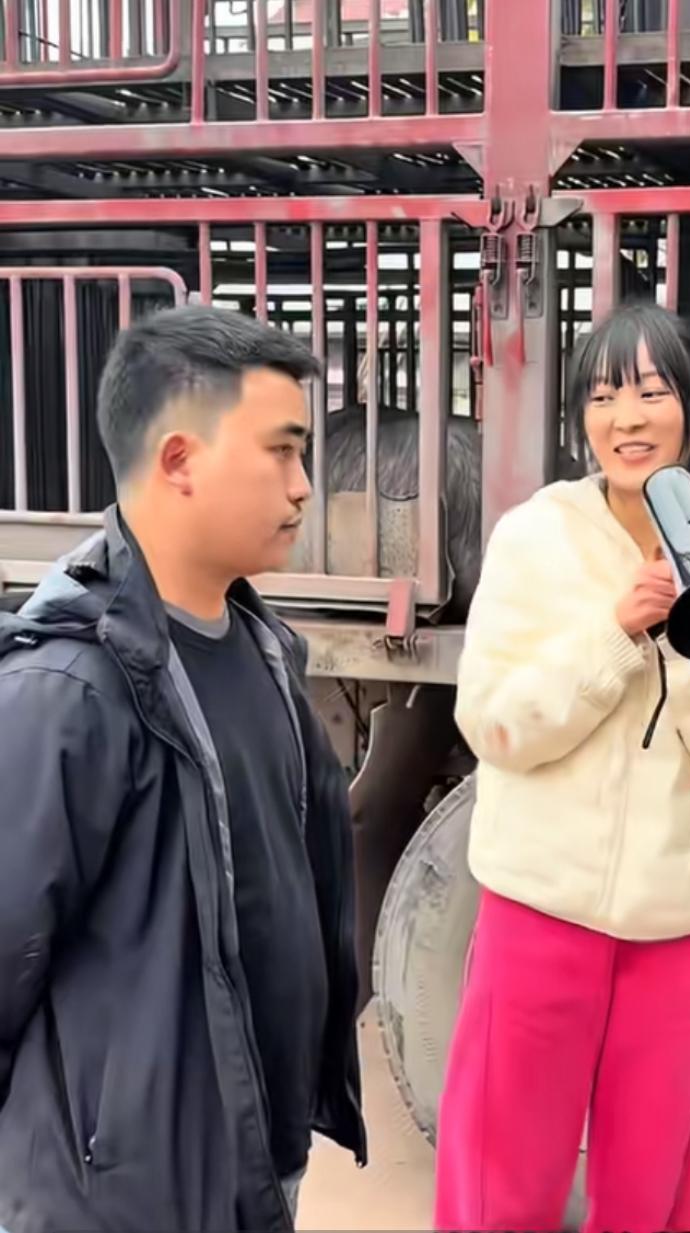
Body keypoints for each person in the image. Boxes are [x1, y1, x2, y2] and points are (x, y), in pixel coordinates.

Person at [434, 302, 690, 1233]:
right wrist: (615, 633)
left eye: (650, 392)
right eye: (602, 397)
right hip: (537, 915)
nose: (625, 418)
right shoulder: (533, 539)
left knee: (648, 1195)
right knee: (498, 1186)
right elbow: (495, 725)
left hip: (677, 929)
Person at [0, 306, 366, 1233]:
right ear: (178, 460)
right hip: (122, 1197)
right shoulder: (68, 690)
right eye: (281, 452)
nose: (303, 486)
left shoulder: (265, 650)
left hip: (254, 1159)